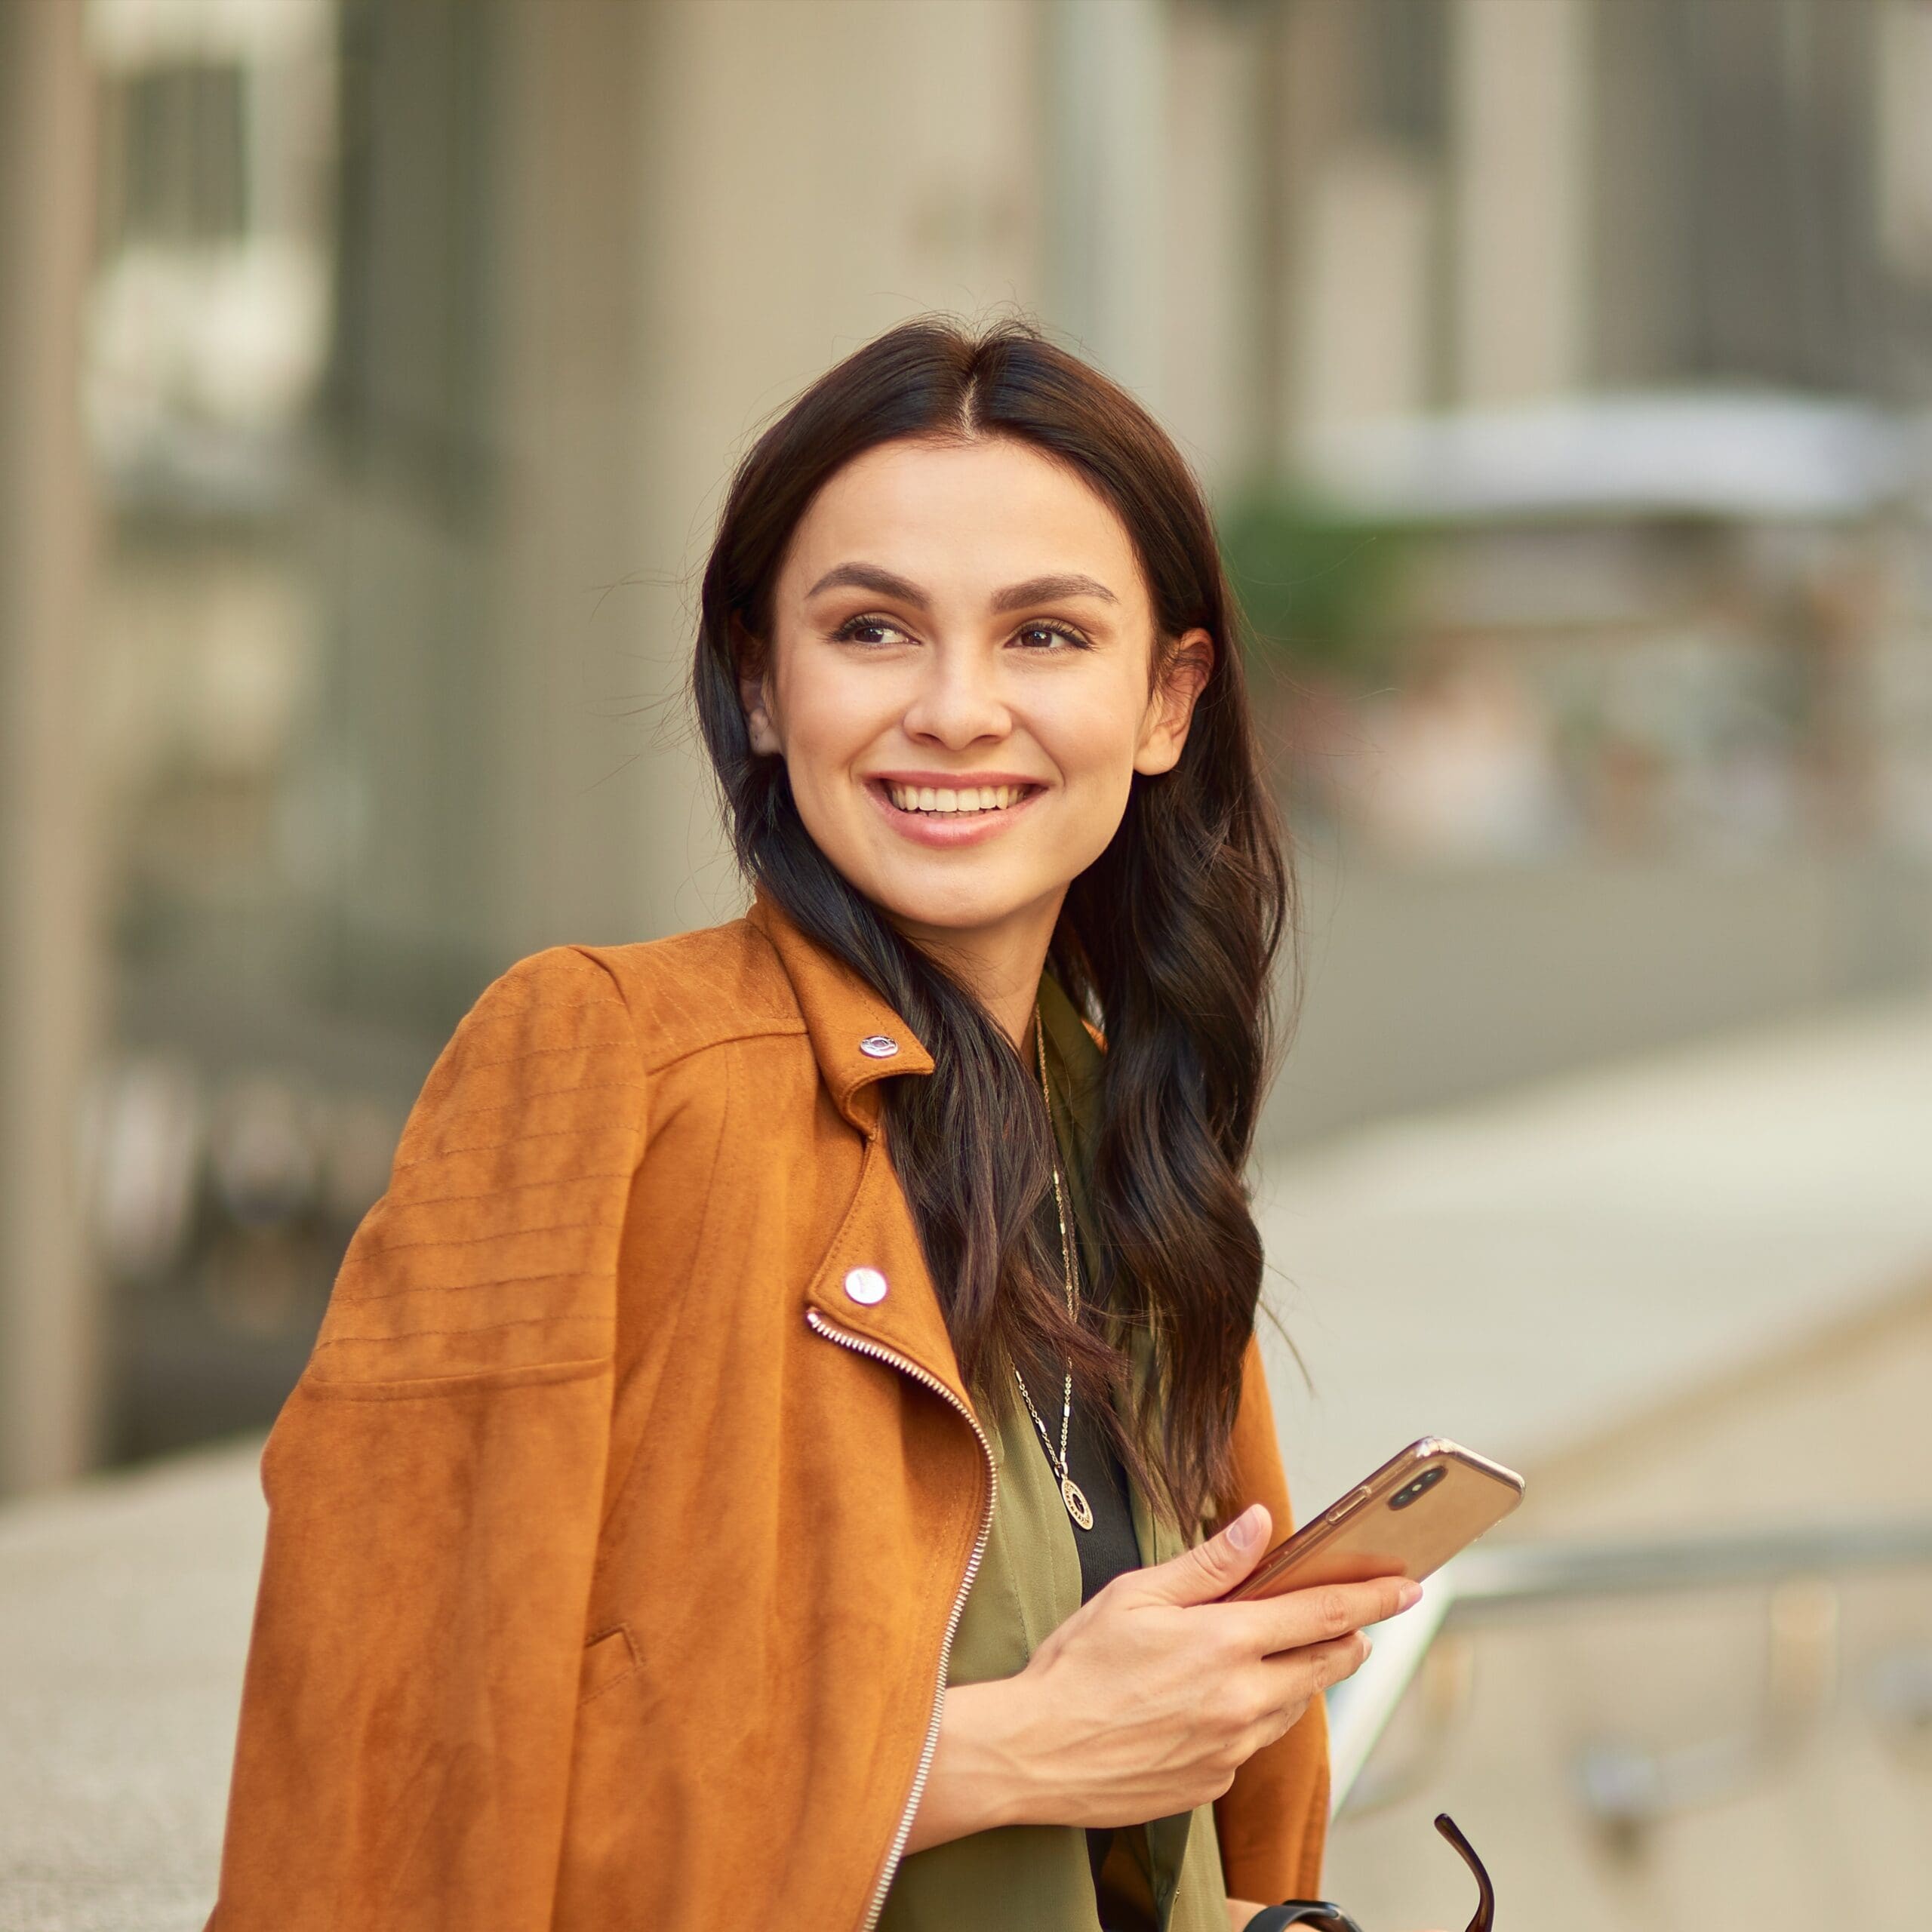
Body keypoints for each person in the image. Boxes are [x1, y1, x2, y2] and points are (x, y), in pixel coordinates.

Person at [203, 315, 1426, 1932]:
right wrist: (991, 1754)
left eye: (1045, 636)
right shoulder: (602, 1066)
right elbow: (391, 1784)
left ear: (1164, 699)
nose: (957, 710)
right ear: (761, 683)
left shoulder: (1125, 1132)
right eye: (871, 630)